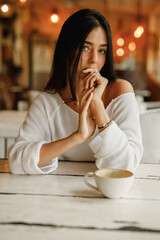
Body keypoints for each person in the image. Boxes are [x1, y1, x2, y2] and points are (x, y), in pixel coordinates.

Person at [8, 8, 143, 174]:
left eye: (102, 51)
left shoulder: (120, 91)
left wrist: (98, 107)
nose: (94, 59)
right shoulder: (47, 102)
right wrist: (77, 136)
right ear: (66, 51)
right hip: (55, 192)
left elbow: (126, 167)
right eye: (85, 47)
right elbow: (16, 161)